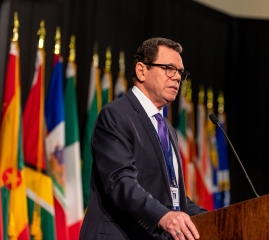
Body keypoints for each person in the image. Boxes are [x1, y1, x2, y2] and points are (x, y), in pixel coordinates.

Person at [79, 37, 207, 240]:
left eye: (180, 72)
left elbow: (171, 197)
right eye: (169, 68)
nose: (177, 78)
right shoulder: (117, 115)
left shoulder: (167, 130)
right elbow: (120, 182)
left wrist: (214, 218)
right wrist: (162, 215)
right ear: (141, 71)